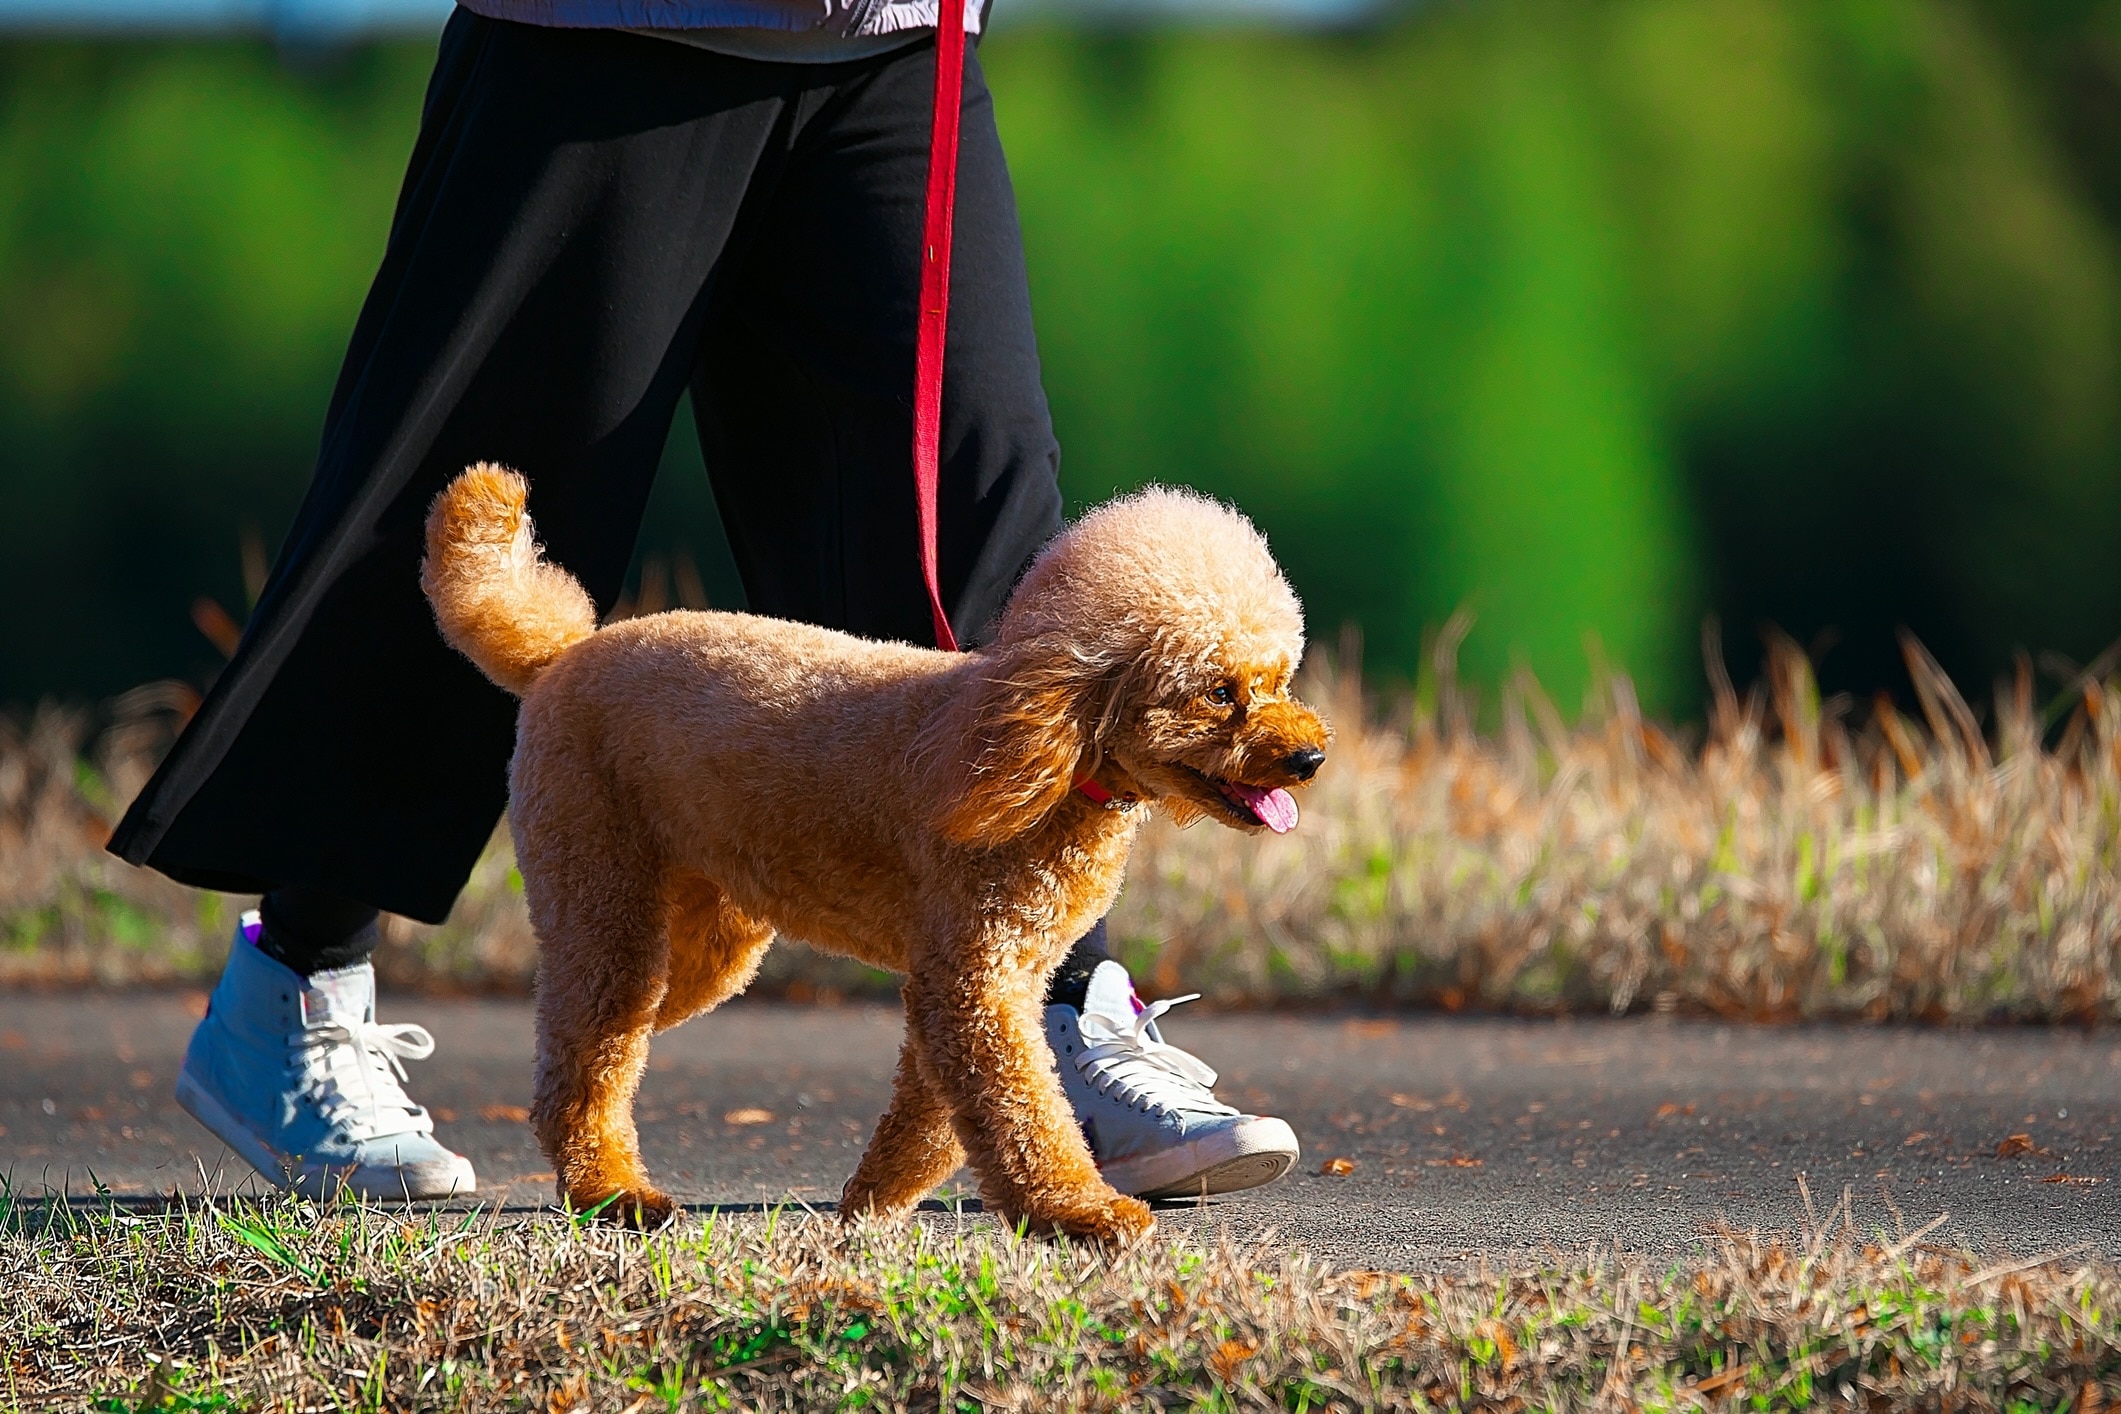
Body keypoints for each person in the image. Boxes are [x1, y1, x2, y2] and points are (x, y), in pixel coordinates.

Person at [109, 0, 1300, 1205]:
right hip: (603, 32)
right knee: (472, 504)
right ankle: (298, 979)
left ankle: (1053, 1005)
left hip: (893, 39)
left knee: (981, 536)